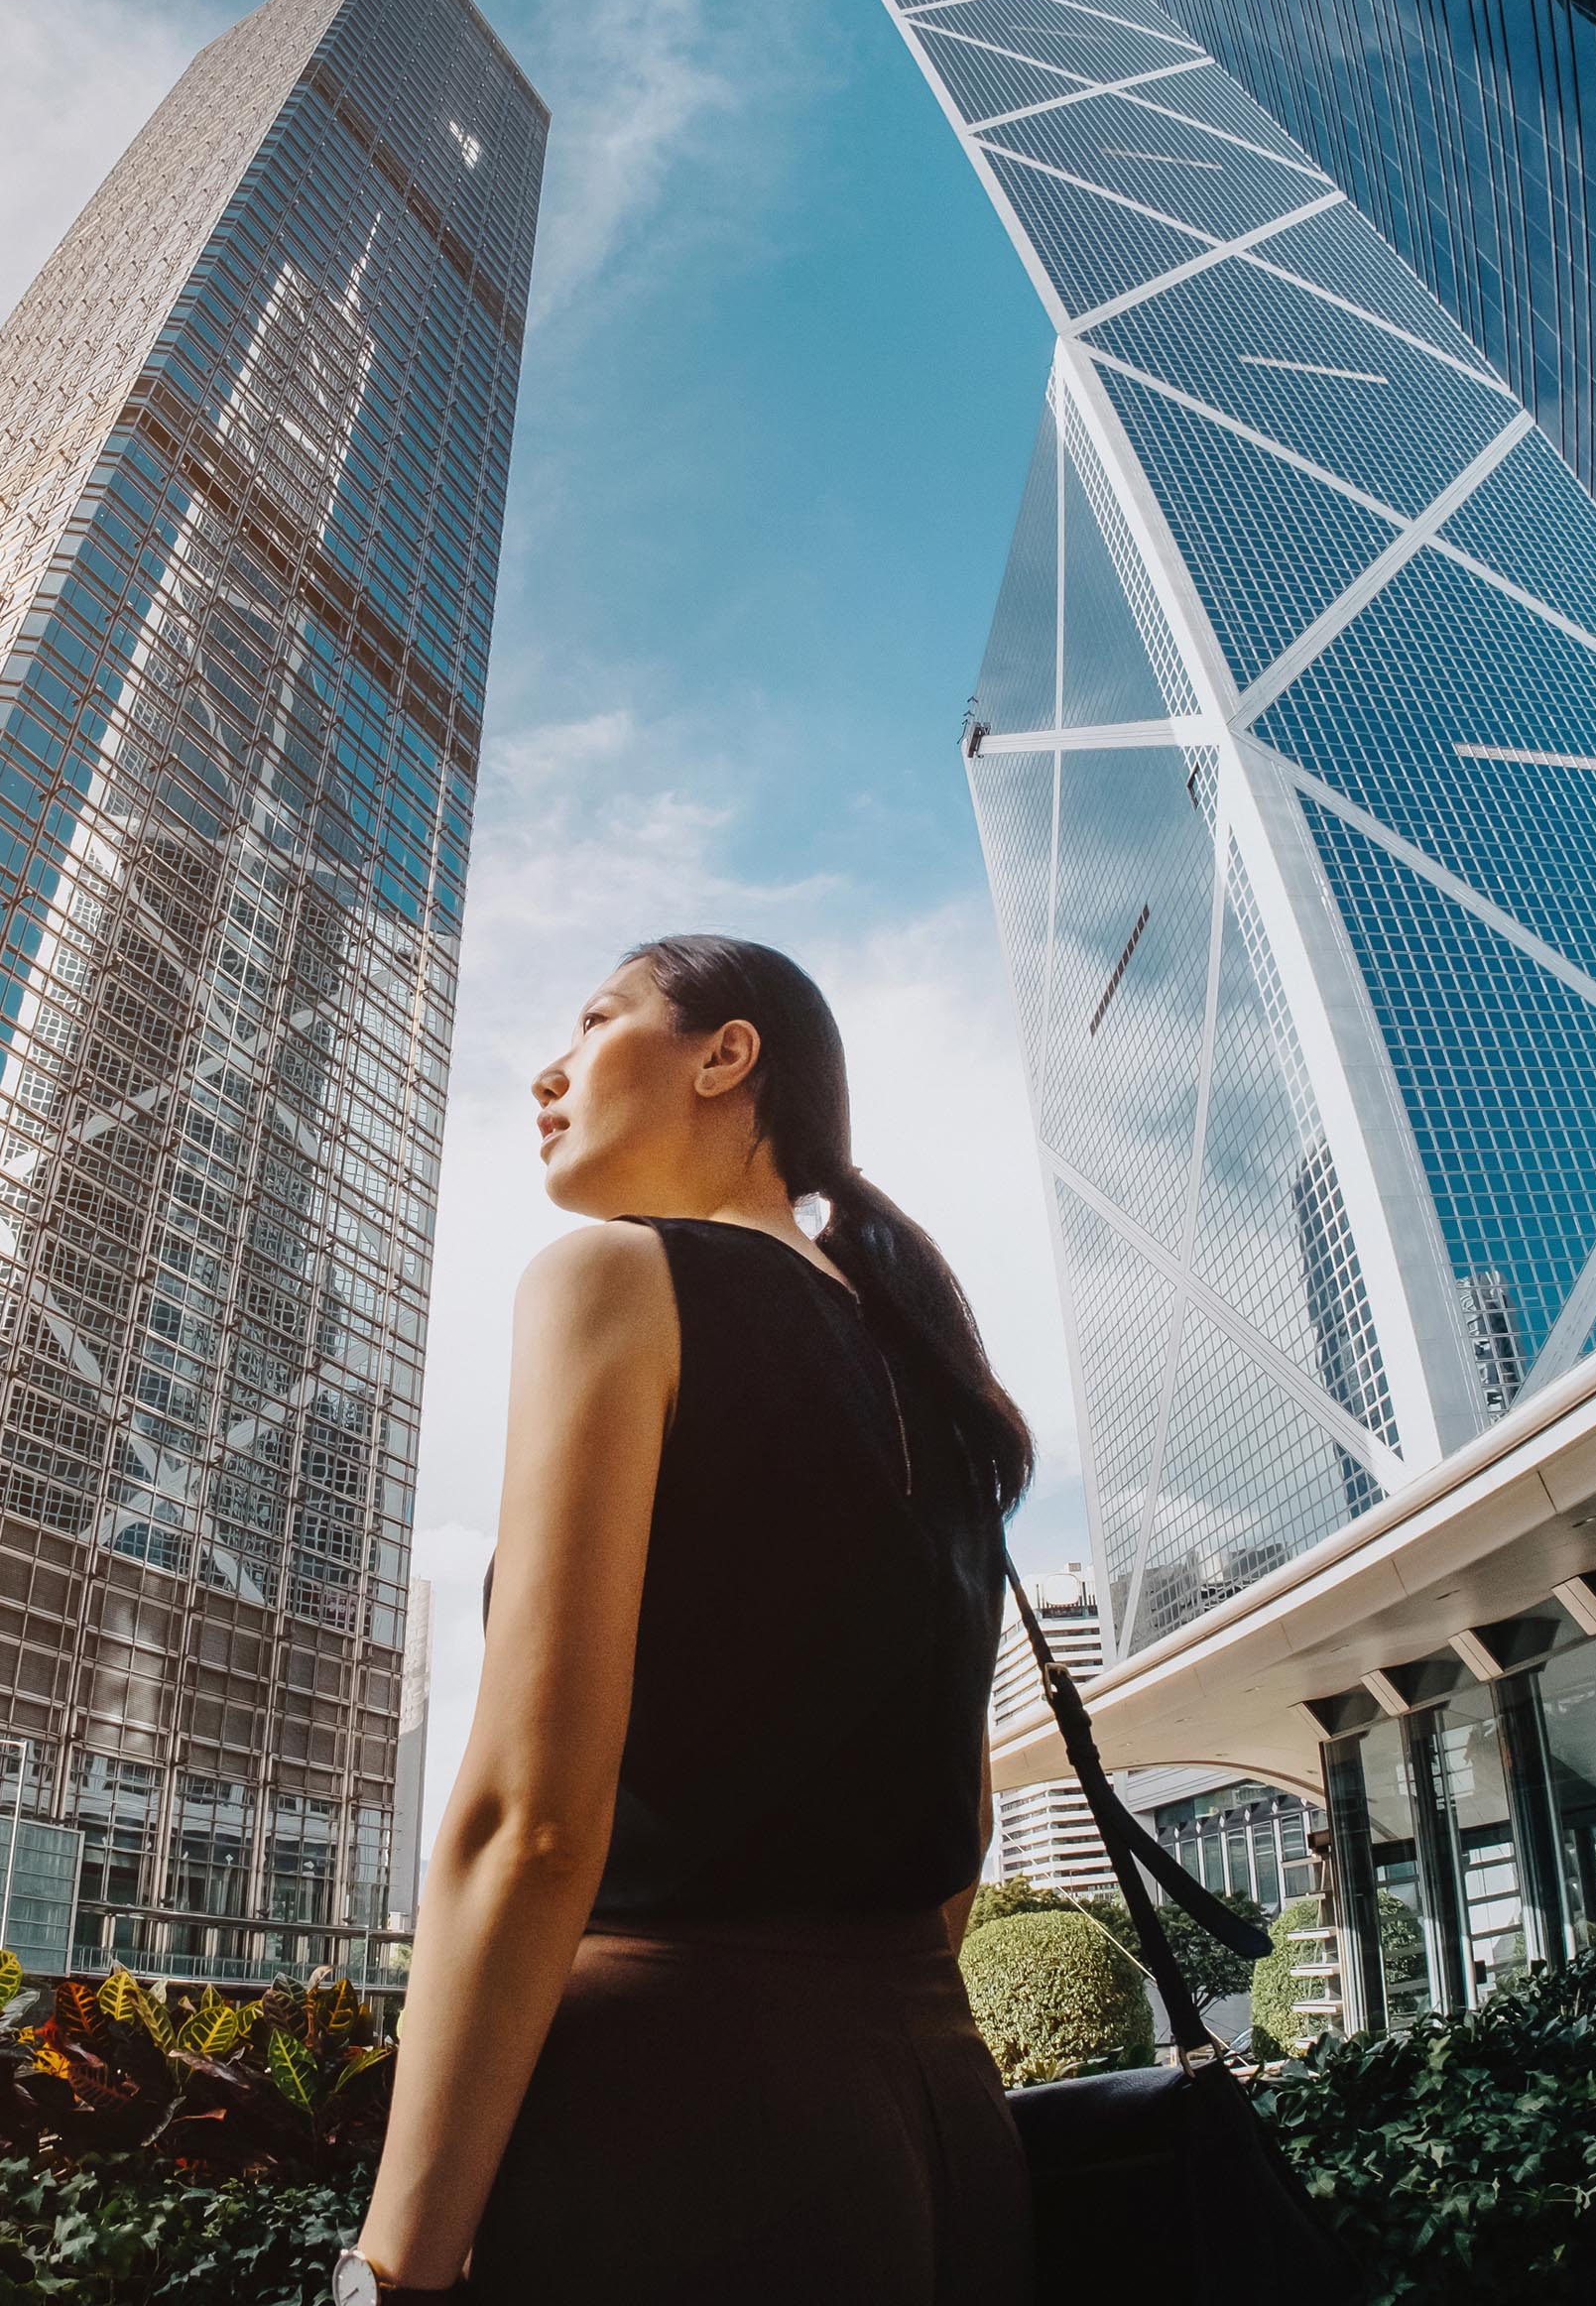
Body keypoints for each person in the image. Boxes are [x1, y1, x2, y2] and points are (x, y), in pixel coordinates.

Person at [337, 936, 1035, 2305]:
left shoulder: (610, 1279)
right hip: (944, 2131)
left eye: (597, 1021)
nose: (548, 1070)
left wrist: (396, 2272)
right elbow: (963, 1836)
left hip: (669, 2134)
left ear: (727, 1055)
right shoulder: (946, 1392)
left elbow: (529, 1823)